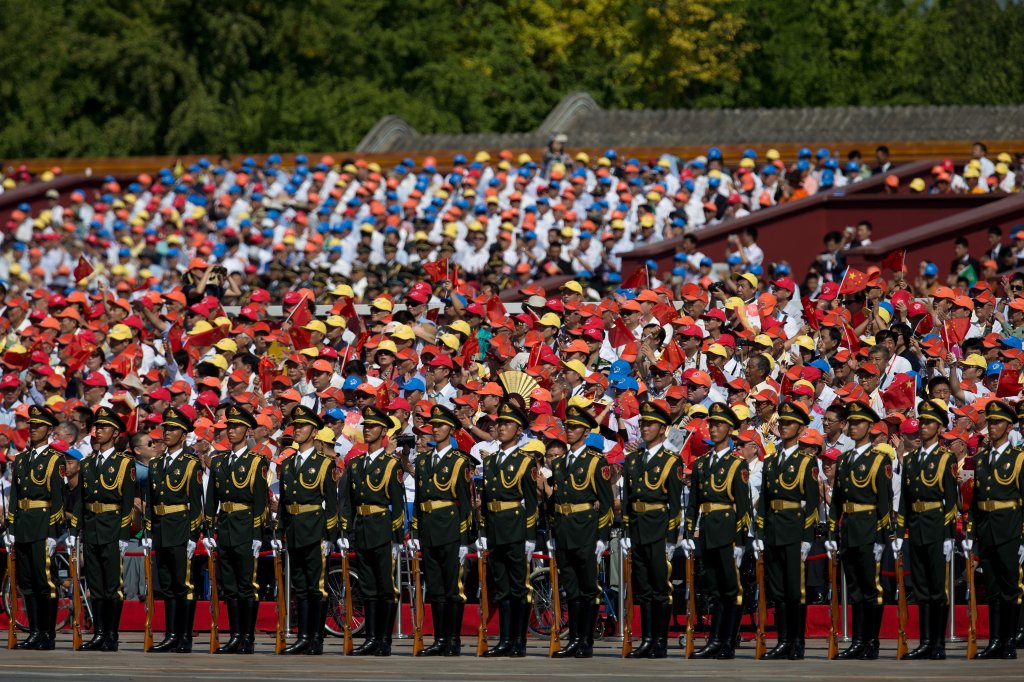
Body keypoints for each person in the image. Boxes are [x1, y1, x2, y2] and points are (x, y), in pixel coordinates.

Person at [825, 400, 892, 660]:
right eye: (851, 423)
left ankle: (870, 642)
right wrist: (833, 531)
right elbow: (838, 502)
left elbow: (884, 502)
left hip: (868, 529)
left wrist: (882, 537)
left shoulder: (879, 460)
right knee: (854, 589)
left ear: (870, 427)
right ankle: (857, 640)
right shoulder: (844, 460)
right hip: (850, 529)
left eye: (858, 423)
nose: (853, 428)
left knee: (870, 588)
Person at [683, 402, 750, 660]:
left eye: (719, 424)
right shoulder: (701, 465)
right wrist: (689, 533)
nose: (713, 428)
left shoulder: (737, 464)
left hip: (728, 532)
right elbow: (694, 503)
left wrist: (741, 542)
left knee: (730, 589)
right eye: (711, 424)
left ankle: (725, 641)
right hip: (708, 531)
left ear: (730, 429)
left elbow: (743, 507)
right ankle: (717, 640)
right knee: (715, 588)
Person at [338, 406, 406, 656]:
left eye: (374, 427)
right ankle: (370, 638)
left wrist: (397, 538)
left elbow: (398, 504)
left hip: (382, 528)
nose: (368, 430)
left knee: (385, 587)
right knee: (367, 587)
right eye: (366, 426)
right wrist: (346, 530)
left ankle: (384, 640)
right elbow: (347, 501)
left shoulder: (391, 464)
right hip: (362, 528)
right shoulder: (355, 464)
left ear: (384, 432)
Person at [892, 399, 958, 660]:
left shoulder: (946, 458)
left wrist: (949, 534)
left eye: (929, 423)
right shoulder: (910, 460)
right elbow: (905, 501)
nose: (923, 427)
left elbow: (951, 500)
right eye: (922, 422)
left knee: (936, 588)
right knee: (921, 588)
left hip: (936, 527)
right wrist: (899, 534)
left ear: (940, 428)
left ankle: (938, 643)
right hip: (916, 529)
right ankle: (925, 641)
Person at [547, 406, 614, 658]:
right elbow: (555, 502)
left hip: (586, 530)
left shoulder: (596, 461)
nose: (570, 431)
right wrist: (554, 530)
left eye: (574, 428)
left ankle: (586, 641)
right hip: (564, 530)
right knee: (571, 588)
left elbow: (605, 502)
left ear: (586, 431)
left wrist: (601, 536)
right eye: (568, 427)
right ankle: (574, 639)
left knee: (587, 588)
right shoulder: (561, 462)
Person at [753, 401, 819, 660]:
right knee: (778, 589)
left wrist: (806, 538)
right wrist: (760, 533)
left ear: (801, 429)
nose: (783, 426)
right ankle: (782, 641)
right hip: (773, 531)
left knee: (795, 590)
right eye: (781, 422)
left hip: (794, 530)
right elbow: (765, 502)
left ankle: (797, 641)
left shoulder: (806, 462)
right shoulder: (770, 462)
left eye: (789, 423)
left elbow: (812, 503)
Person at [273, 405, 339, 655]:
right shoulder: (288, 463)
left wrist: (329, 536)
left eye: (302, 426)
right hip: (294, 528)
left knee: (316, 586)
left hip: (314, 528)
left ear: (314, 432)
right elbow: (285, 502)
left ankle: (316, 638)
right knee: (300, 585)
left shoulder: (324, 464)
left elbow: (331, 504)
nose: (297, 429)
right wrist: (279, 531)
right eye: (295, 425)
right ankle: (303, 636)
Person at [203, 404, 269, 654]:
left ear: (248, 430)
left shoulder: (256, 462)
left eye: (237, 427)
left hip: (244, 527)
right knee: (229, 585)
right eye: (229, 427)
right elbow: (211, 500)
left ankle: (247, 637)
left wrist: (256, 535)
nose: (231, 431)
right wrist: (209, 531)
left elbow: (260, 502)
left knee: (246, 585)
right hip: (226, 527)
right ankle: (234, 635)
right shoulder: (219, 461)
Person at [70, 406, 136, 651]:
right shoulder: (87, 464)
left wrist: (122, 535)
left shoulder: (123, 463)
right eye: (98, 427)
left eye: (105, 427)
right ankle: (98, 633)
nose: (99, 431)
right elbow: (81, 501)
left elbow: (128, 503)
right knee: (96, 585)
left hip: (111, 527)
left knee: (112, 586)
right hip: (92, 527)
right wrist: (75, 530)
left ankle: (111, 635)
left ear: (116, 433)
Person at [409, 404, 472, 657]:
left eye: (440, 425)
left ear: (452, 430)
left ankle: (453, 639)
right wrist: (414, 533)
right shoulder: (423, 460)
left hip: (450, 528)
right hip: (428, 529)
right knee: (434, 587)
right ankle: (439, 638)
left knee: (452, 587)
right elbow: (420, 499)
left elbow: (466, 504)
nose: (435, 429)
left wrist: (465, 539)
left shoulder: (459, 461)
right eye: (433, 425)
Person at [621, 400, 683, 659]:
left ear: (662, 429)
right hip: (637, 527)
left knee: (660, 587)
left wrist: (670, 538)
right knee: (644, 587)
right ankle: (646, 639)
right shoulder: (633, 459)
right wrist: (626, 531)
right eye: (643, 424)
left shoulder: (671, 460)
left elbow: (674, 503)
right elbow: (627, 499)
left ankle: (660, 641)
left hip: (658, 528)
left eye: (650, 424)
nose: (645, 428)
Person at [964, 398, 1024, 659]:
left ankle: (1009, 641)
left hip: (1010, 529)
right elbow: (977, 500)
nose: (992, 426)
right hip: (987, 529)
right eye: (989, 422)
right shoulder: (981, 459)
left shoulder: (1019, 459)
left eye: (997, 422)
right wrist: (972, 533)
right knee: (993, 589)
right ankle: (995, 641)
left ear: (1009, 426)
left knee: (1010, 587)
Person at [477, 399, 538, 658]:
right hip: (496, 529)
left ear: (519, 430)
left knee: (519, 586)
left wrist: (530, 536)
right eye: (499, 423)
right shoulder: (490, 462)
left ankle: (518, 640)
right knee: (501, 586)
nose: (501, 428)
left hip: (515, 527)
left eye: (507, 424)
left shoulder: (526, 461)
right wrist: (483, 532)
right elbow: (486, 501)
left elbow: (532, 502)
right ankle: (504, 639)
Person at [3, 405, 66, 650]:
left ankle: (47, 633)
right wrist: (10, 527)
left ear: (49, 429)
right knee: (27, 583)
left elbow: (58, 499)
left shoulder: (54, 459)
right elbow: (15, 498)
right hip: (24, 525)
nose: (32, 429)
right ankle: (34, 631)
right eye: (31, 425)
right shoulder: (21, 460)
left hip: (42, 525)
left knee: (44, 582)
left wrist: (53, 533)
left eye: (38, 426)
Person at [143, 406, 204, 653]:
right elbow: (150, 499)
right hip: (160, 529)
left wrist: (192, 535)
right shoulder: (156, 463)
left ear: (184, 434)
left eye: (173, 429)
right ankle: (170, 634)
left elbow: (196, 503)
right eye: (166, 428)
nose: (167, 433)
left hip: (180, 527)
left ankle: (184, 636)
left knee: (183, 585)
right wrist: (148, 531)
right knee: (167, 585)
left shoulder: (191, 464)